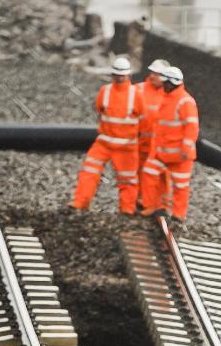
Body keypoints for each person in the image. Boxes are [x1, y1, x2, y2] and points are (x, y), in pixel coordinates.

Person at [71, 55, 145, 215]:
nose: (119, 77)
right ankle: (80, 203)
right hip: (104, 143)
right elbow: (100, 112)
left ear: (128, 75)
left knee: (128, 180)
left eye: (122, 75)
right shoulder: (105, 91)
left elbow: (143, 120)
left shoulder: (136, 95)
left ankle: (127, 210)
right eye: (116, 74)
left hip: (126, 146)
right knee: (89, 172)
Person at [140, 65, 199, 222]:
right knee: (149, 174)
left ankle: (179, 215)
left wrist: (185, 149)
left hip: (179, 155)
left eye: (166, 83)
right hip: (162, 152)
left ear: (172, 84)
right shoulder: (166, 99)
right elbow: (161, 127)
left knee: (180, 185)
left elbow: (191, 127)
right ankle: (154, 206)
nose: (163, 86)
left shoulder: (185, 101)